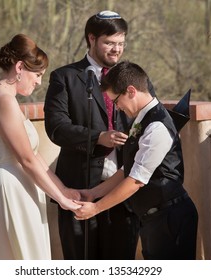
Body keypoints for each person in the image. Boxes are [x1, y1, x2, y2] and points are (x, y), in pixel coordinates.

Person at [74, 61, 199, 260]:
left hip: (171, 219)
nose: (117, 108)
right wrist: (93, 193)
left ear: (131, 91)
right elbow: (128, 169)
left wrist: (96, 209)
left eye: (116, 101)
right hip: (153, 219)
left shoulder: (156, 126)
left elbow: (135, 181)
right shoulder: (142, 120)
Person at [44, 11, 144, 259]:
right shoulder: (64, 77)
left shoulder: (133, 77)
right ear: (91, 38)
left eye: (121, 43)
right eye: (109, 43)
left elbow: (146, 117)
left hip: (123, 191)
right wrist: (97, 137)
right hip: (79, 190)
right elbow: (56, 127)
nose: (116, 50)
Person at [0, 34, 80, 260]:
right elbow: (27, 160)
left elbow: (34, 156)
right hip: (7, 188)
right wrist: (62, 201)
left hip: (20, 186)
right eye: (37, 75)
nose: (39, 82)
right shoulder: (2, 100)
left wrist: (63, 190)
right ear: (20, 67)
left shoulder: (8, 98)